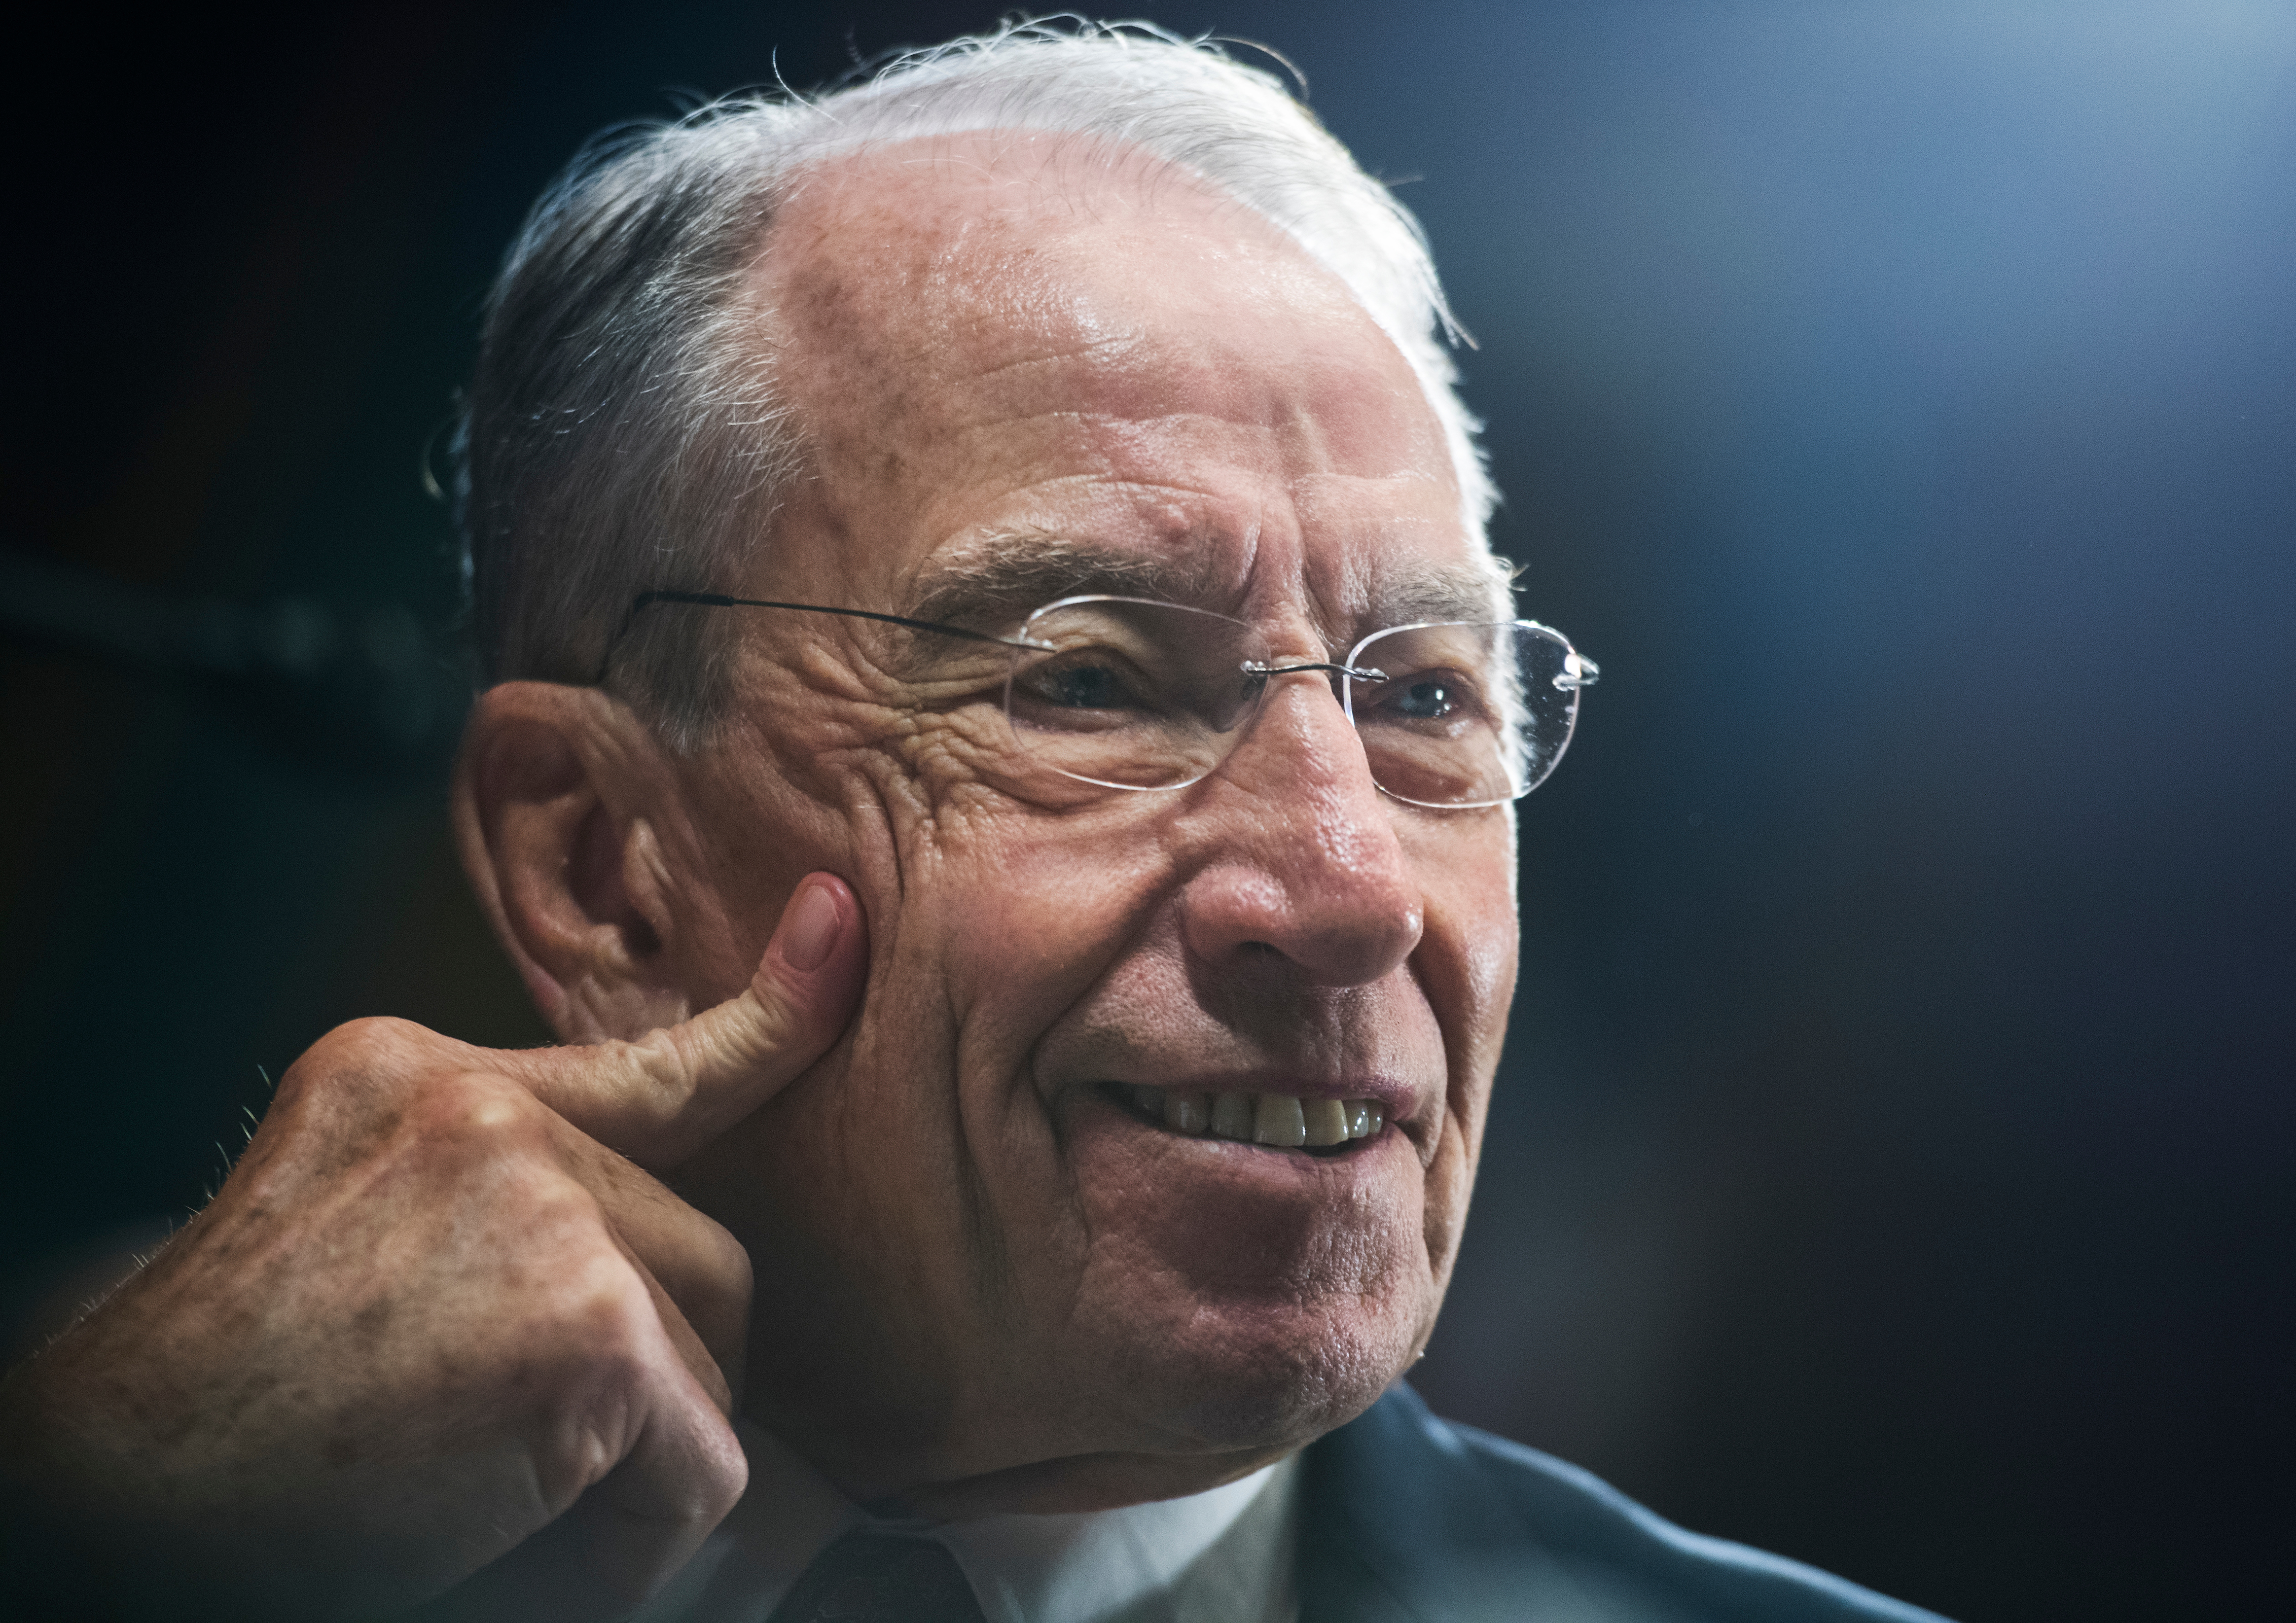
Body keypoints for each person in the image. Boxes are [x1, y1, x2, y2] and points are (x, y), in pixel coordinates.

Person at [0, 23, 1946, 1622]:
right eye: (1087, 682)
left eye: (1428, 698)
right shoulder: (125, 1521)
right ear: (602, 862)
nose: (1352, 890)